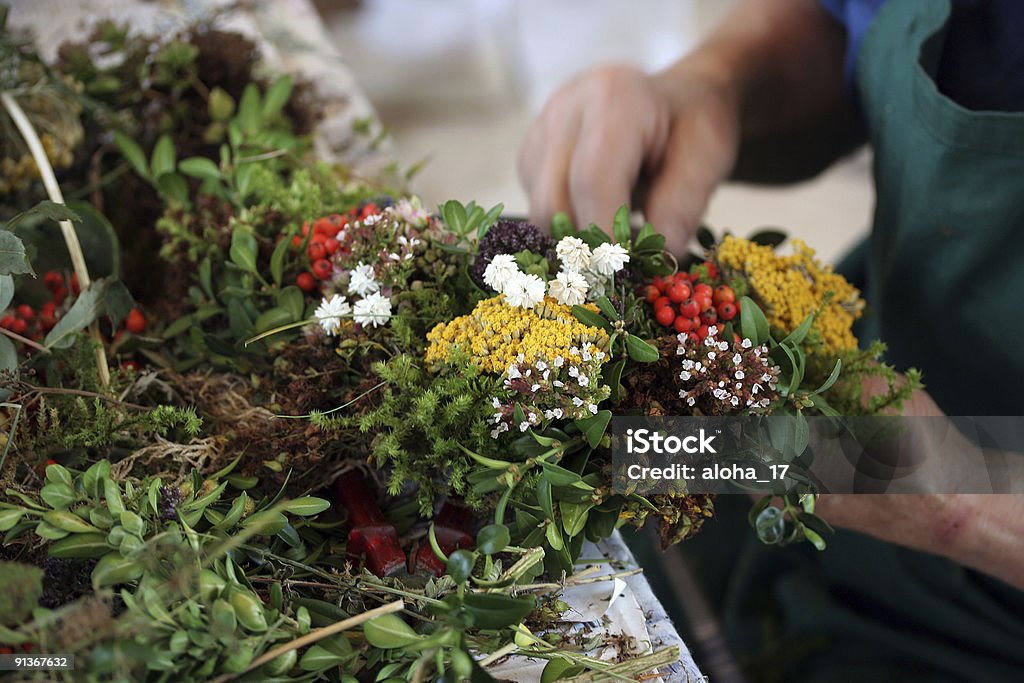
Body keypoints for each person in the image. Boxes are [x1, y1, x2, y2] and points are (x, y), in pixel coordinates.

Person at [519, 0, 1024, 680]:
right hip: (853, 398)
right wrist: (717, 83)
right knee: (586, 483)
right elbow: (857, 26)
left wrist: (971, 507)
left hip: (985, 603)